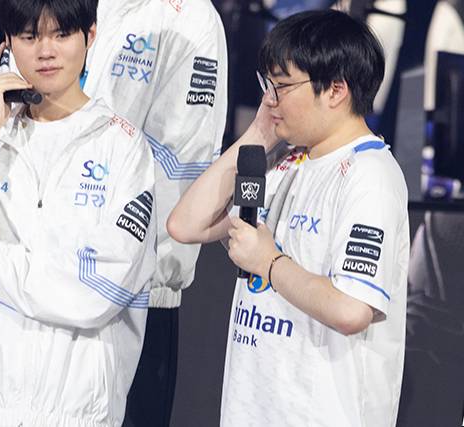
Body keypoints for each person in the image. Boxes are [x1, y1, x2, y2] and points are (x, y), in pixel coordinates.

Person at [167, 9, 409, 426]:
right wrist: (259, 134)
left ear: (335, 90)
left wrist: (269, 263)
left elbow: (352, 310)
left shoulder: (370, 175)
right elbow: (185, 225)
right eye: (267, 85)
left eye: (281, 86)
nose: (269, 100)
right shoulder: (285, 162)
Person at [0, 0, 156, 425]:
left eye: (62, 34)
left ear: (90, 36)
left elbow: (96, 292)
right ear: (7, 44)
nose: (46, 51)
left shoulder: (123, 148)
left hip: (78, 409)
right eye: (29, 36)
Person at [80, 1, 228, 423]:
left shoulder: (190, 19)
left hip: (137, 295)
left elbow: (182, 161)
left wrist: (149, 277)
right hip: (46, 277)